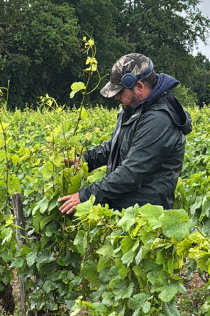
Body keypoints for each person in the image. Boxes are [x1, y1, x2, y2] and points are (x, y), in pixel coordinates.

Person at [58, 53, 192, 215]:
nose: (116, 97)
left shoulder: (159, 119)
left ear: (140, 87)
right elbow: (115, 145)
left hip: (145, 218)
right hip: (124, 212)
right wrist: (85, 159)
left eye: (120, 91)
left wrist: (86, 196)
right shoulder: (132, 108)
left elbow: (132, 172)